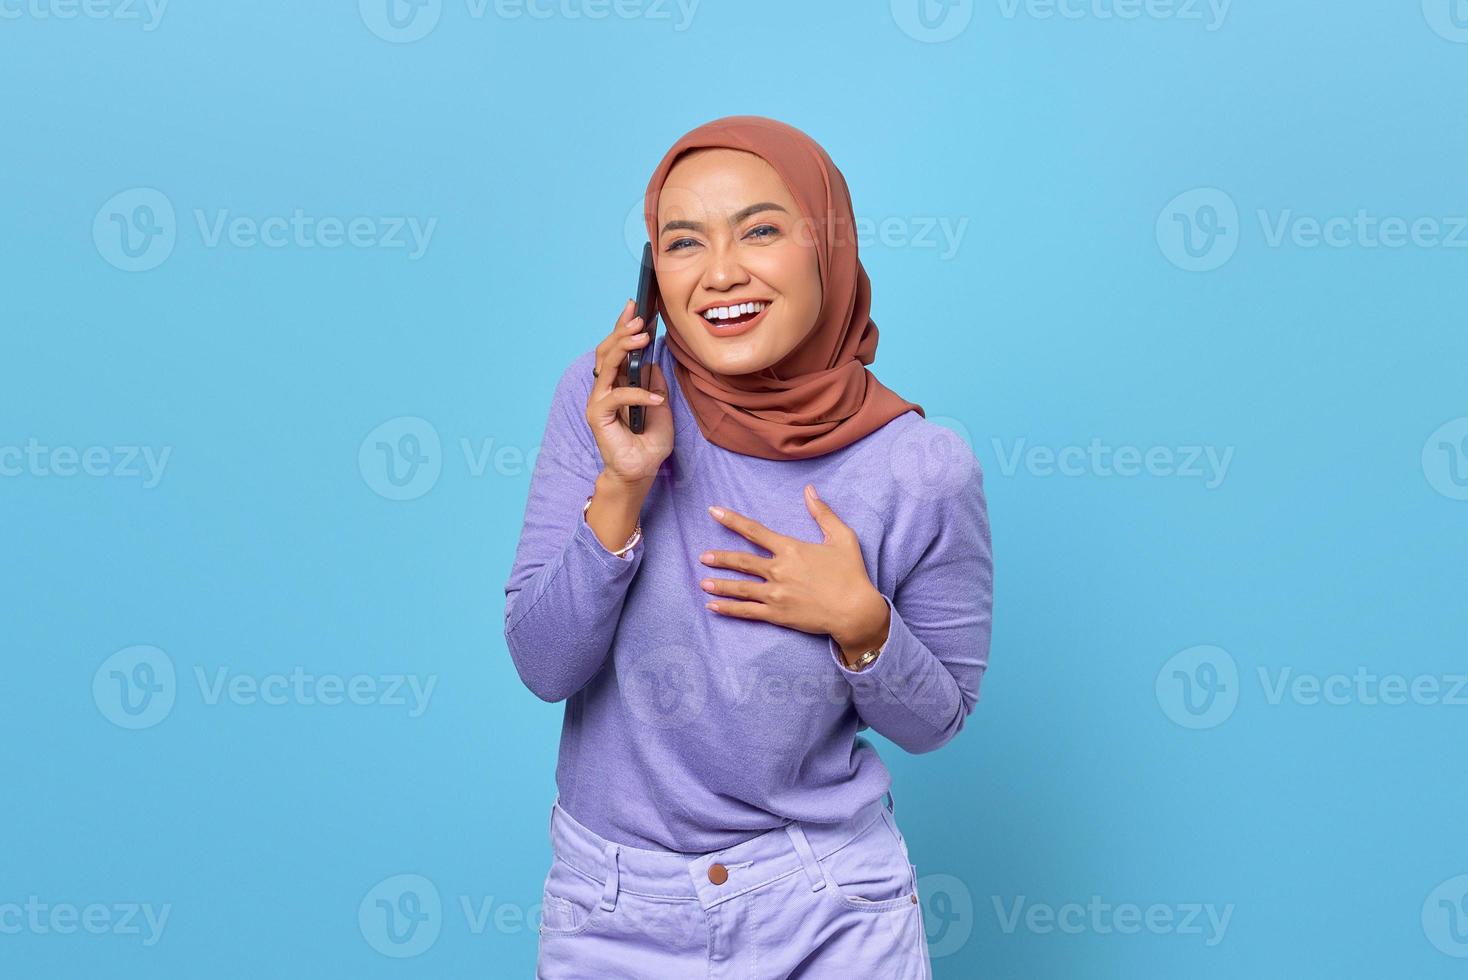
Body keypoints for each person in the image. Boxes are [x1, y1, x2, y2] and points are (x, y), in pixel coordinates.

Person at [503, 114, 993, 978]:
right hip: (614, 908)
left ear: (826, 247)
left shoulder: (923, 467)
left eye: (760, 230)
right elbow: (544, 666)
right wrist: (622, 487)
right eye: (683, 242)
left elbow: (936, 721)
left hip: (831, 909)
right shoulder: (609, 398)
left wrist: (860, 624)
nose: (722, 274)